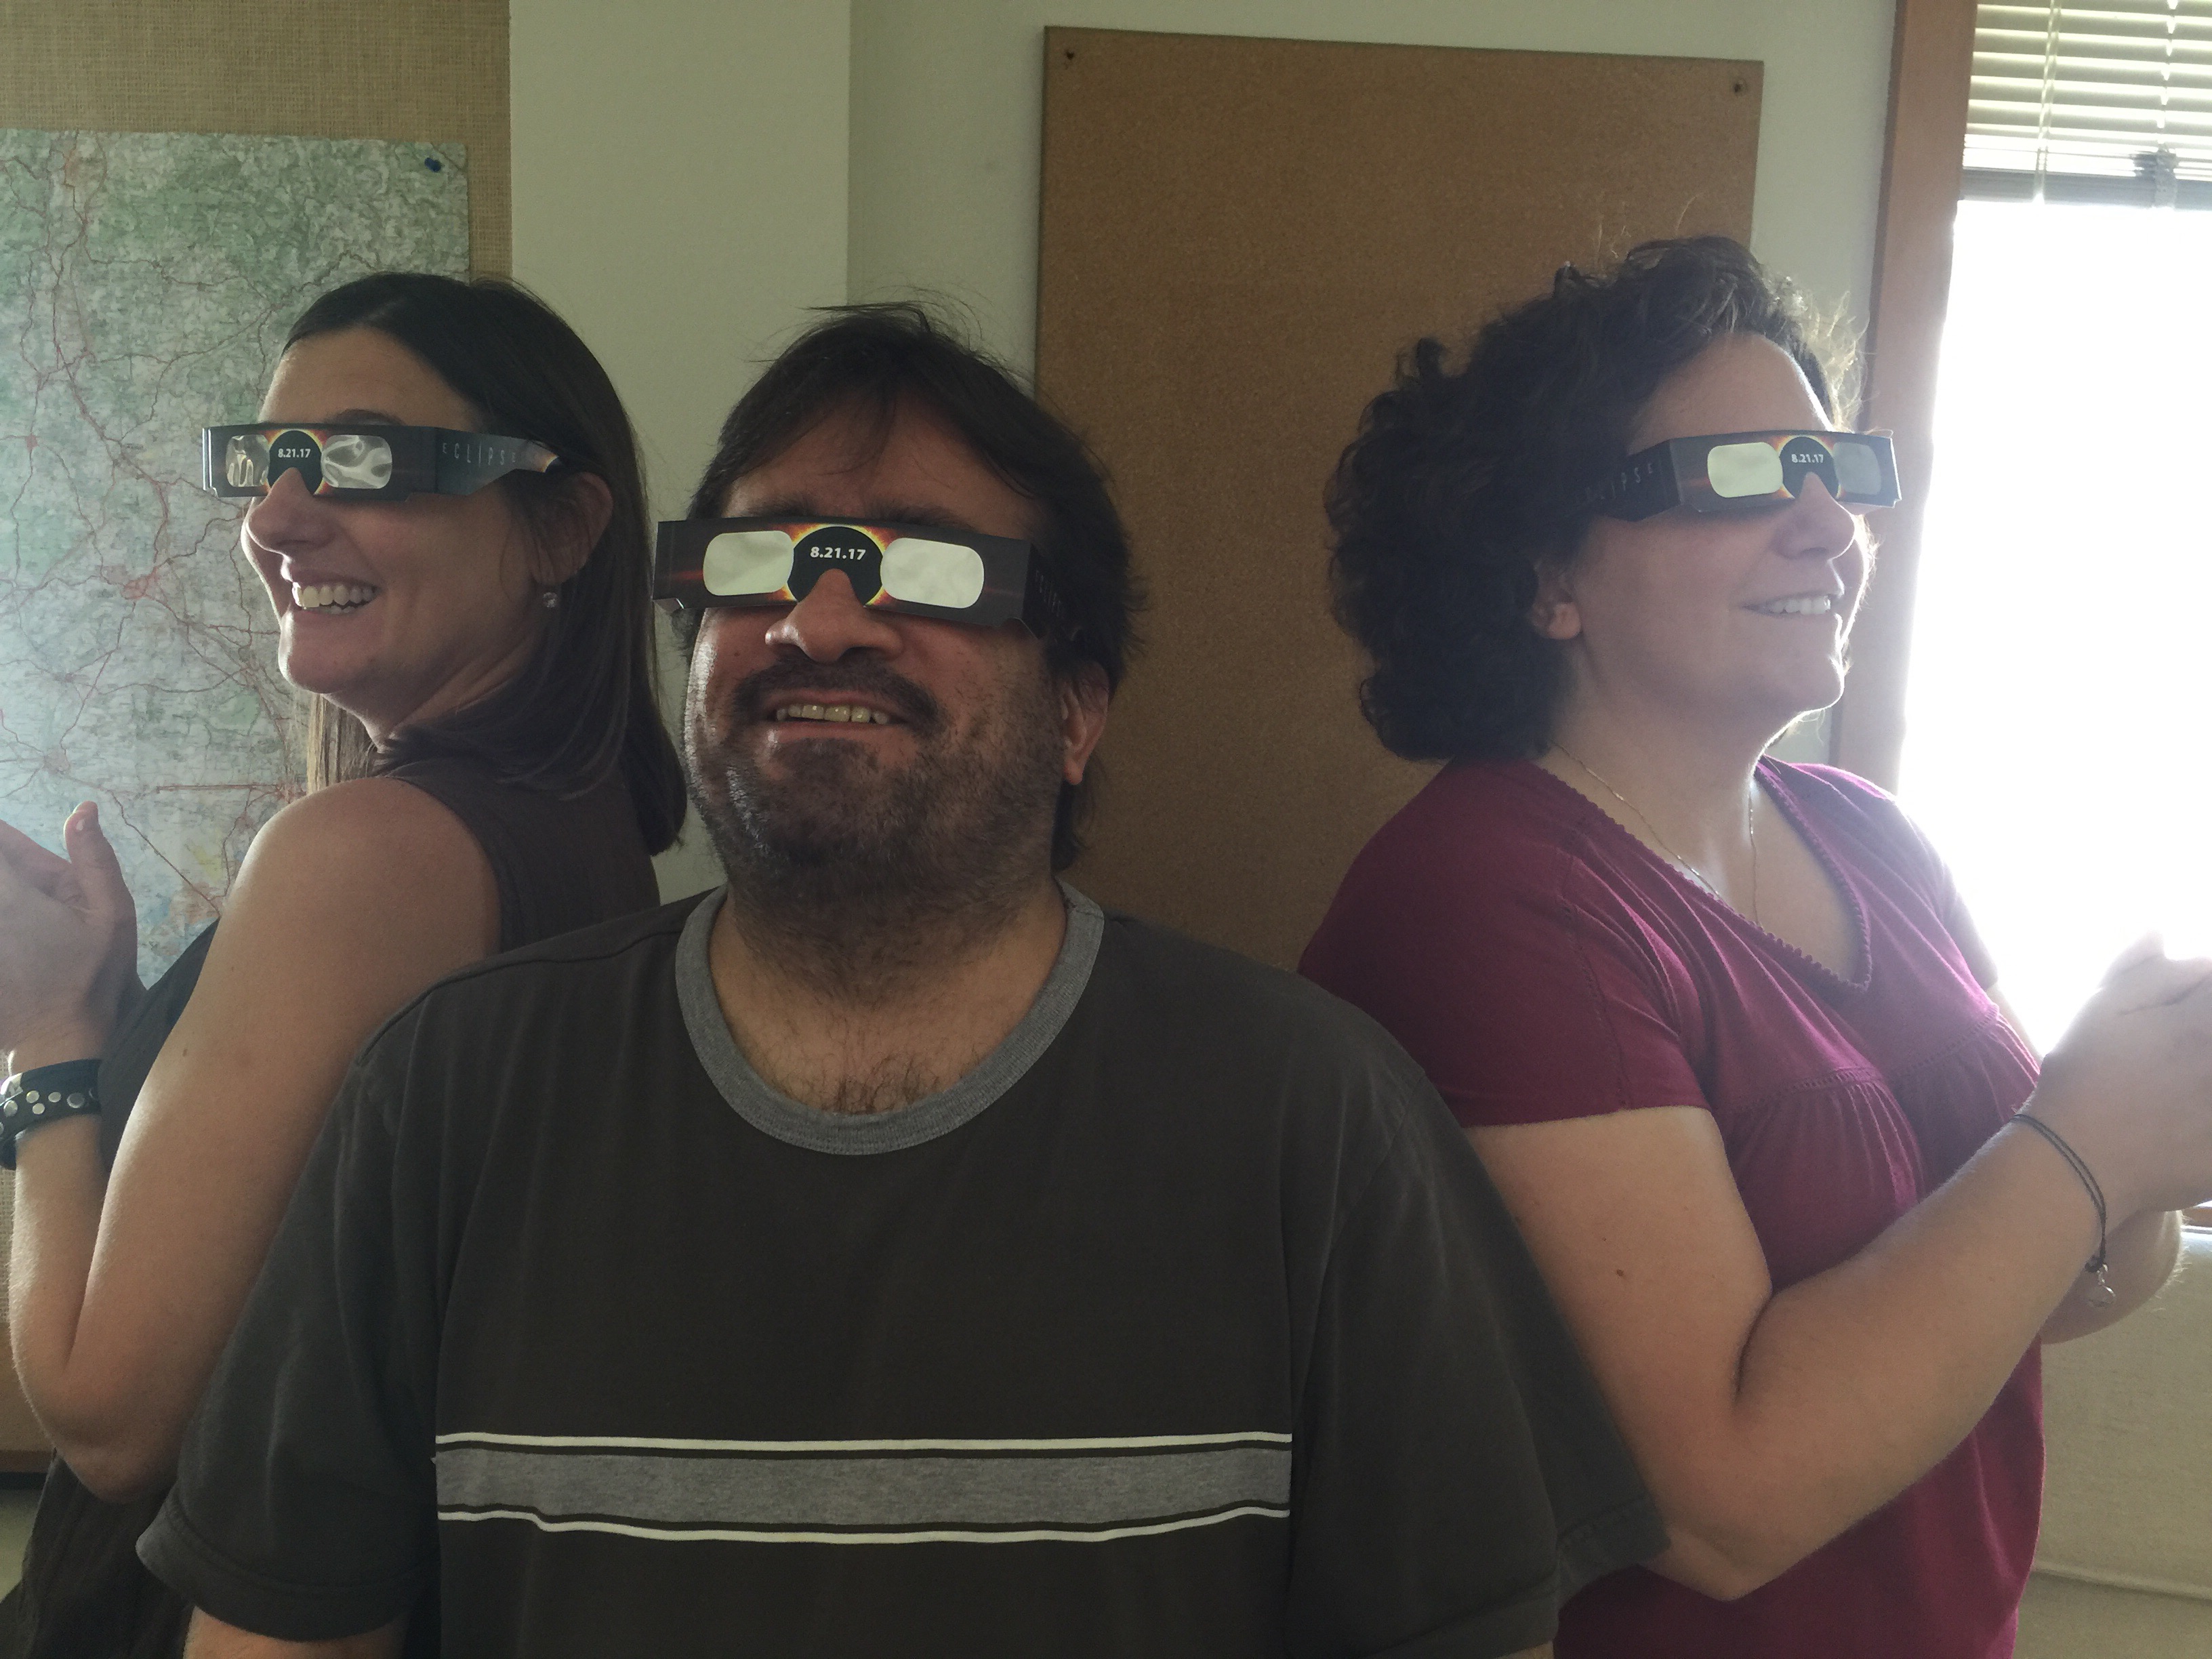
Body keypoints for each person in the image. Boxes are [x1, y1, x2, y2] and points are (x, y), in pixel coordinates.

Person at [135, 304, 1665, 1659]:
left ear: (1077, 710)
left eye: (927, 569)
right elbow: (283, 1633)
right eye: (760, 559)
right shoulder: (446, 1095)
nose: (818, 621)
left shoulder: (1319, 1124)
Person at [1298, 236, 2212, 1659]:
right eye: (1738, 475)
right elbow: (1716, 1506)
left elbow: (2031, 1286)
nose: (1829, 524)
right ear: (1547, 574)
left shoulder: (1871, 834)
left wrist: (2147, 1129)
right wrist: (2087, 1144)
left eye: (1837, 467)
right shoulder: (1482, 896)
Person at [0, 272, 687, 1659]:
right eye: (265, 461)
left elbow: (107, 1414)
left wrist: (52, 1037)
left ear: (560, 526)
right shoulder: (583, 827)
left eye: (365, 461)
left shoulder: (368, 858)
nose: (274, 517)